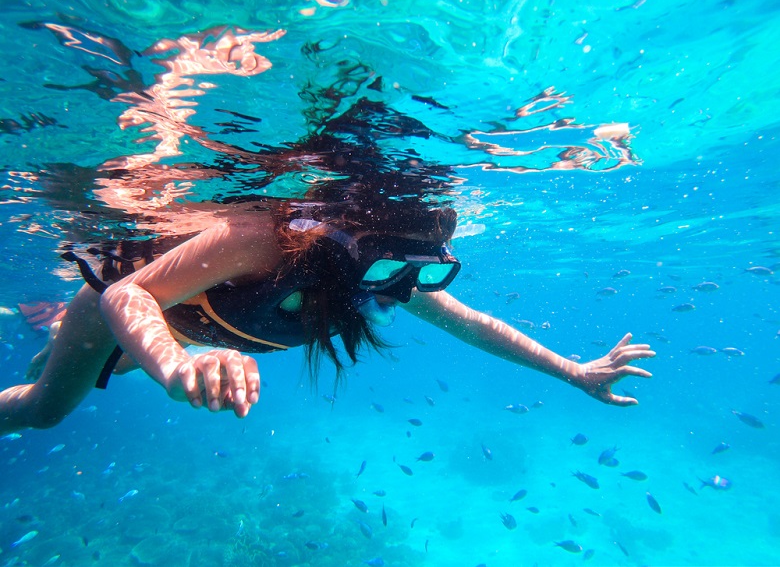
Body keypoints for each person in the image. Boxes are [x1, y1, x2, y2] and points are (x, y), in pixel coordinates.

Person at [0, 186, 655, 435]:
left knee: (68, 364)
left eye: (426, 273)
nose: (404, 289)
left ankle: (55, 345)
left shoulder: (390, 271)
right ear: (350, 245)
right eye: (391, 269)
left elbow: (476, 324)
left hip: (195, 327)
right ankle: (60, 345)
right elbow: (127, 296)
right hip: (134, 311)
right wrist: (178, 367)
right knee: (43, 409)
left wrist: (574, 370)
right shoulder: (261, 236)